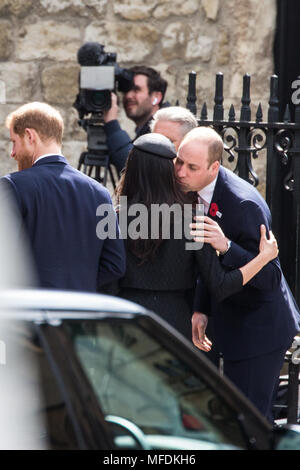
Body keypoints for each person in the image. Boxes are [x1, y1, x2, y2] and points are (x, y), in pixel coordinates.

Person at [180, 126, 300, 422]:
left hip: (259, 330)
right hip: (232, 320)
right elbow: (205, 262)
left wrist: (227, 246)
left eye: (191, 167)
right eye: (179, 162)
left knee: (250, 421)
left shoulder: (243, 204)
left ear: (214, 167)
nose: (181, 171)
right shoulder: (194, 190)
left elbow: (270, 275)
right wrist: (200, 308)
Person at [113, 132, 278, 343]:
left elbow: (106, 275)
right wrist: (263, 258)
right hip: (174, 322)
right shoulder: (191, 221)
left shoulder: (112, 217)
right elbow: (221, 286)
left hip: (124, 317)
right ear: (167, 170)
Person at [2, 102, 126, 292]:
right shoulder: (100, 194)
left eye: (14, 142)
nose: (12, 153)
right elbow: (115, 264)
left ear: (29, 136)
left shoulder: (12, 186)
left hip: (29, 312)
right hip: (78, 314)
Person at [103, 66, 168, 172]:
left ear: (156, 97)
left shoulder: (166, 128)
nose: (128, 96)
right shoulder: (146, 131)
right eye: (125, 90)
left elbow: (136, 171)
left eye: (136, 90)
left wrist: (111, 124)